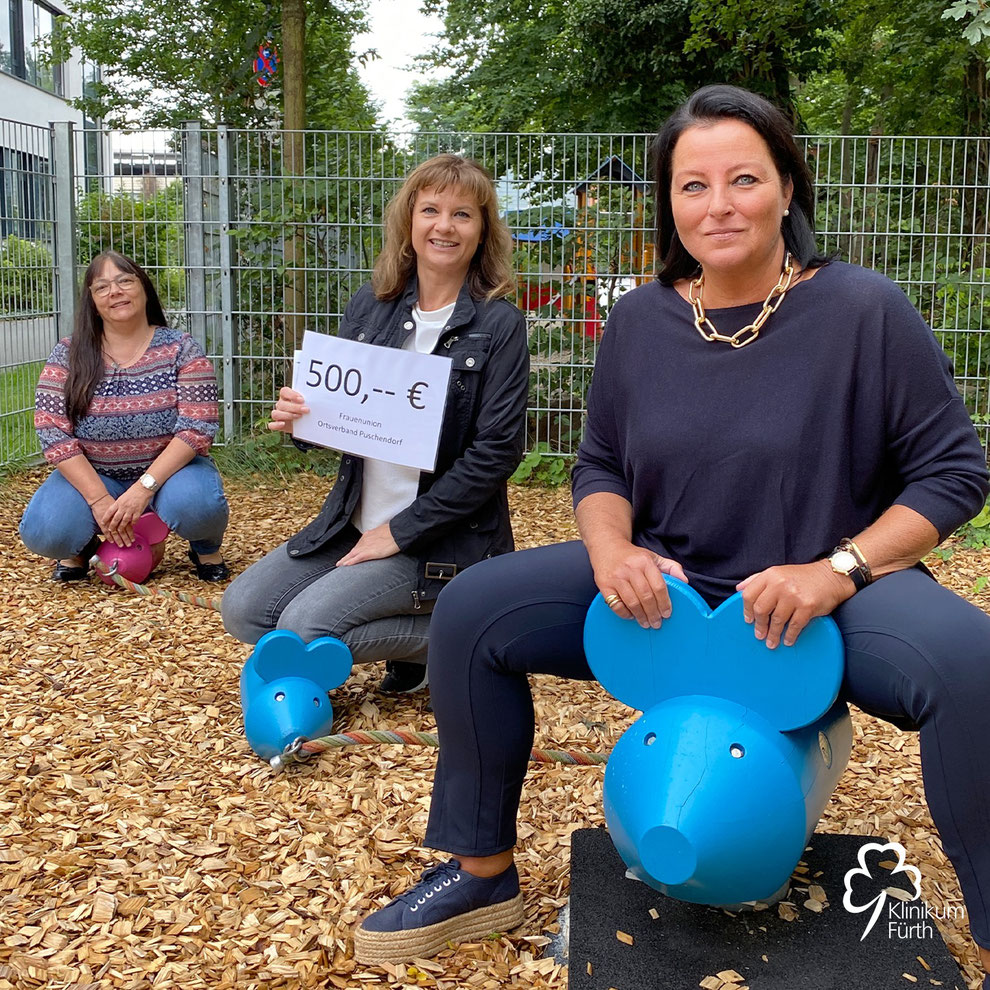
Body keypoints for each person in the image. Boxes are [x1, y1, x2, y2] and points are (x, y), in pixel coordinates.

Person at [352, 85, 990, 985]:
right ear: (669, 203)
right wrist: (612, 551)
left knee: (970, 663)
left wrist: (838, 569)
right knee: (474, 612)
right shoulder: (644, 319)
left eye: (743, 179)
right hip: (672, 591)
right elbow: (600, 466)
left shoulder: (861, 310)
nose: (718, 204)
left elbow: (955, 473)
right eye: (693, 186)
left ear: (786, 189)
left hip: (826, 595)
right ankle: (477, 869)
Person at [220, 154, 529, 695]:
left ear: (483, 232)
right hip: (354, 521)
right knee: (244, 611)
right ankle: (422, 639)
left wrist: (399, 531)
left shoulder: (499, 324)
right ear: (409, 221)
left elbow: (496, 454)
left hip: (438, 540)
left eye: (463, 214)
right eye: (430, 209)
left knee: (301, 627)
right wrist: (302, 421)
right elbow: (345, 422)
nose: (444, 226)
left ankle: (452, 638)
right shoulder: (372, 304)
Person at [20, 251, 230, 583]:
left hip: (170, 475)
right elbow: (52, 431)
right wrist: (99, 500)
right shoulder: (68, 353)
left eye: (124, 280)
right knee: (47, 531)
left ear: (144, 288)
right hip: (95, 475)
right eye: (101, 287)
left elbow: (197, 427)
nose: (114, 291)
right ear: (91, 300)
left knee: (197, 505)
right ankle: (82, 544)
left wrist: (143, 489)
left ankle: (204, 546)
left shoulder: (181, 348)